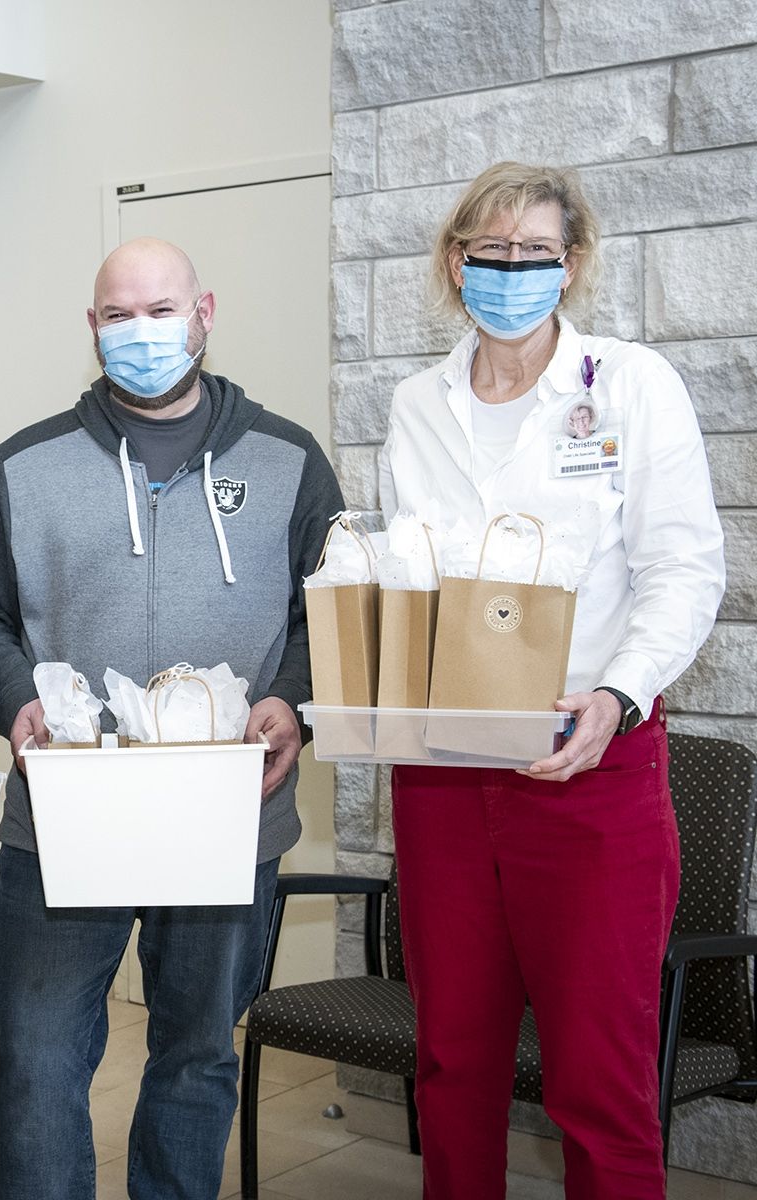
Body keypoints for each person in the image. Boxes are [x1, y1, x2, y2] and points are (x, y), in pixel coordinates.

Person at [0, 239, 344, 1200]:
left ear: (205, 311)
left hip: (227, 812)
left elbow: (331, 609)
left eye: (161, 310)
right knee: (37, 1058)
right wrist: (15, 700)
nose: (141, 332)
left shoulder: (289, 459)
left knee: (199, 1051)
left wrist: (291, 701)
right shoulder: (23, 465)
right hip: (65, 816)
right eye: (118, 315)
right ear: (92, 328)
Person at [378, 162, 724, 1199]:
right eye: (492, 251)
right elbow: (408, 580)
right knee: (452, 1066)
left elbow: (685, 568)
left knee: (598, 1081)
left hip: (591, 769)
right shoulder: (415, 405)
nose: (512, 271)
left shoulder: (628, 384)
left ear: (572, 266)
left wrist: (616, 696)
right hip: (443, 775)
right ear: (455, 261)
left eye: (537, 253)